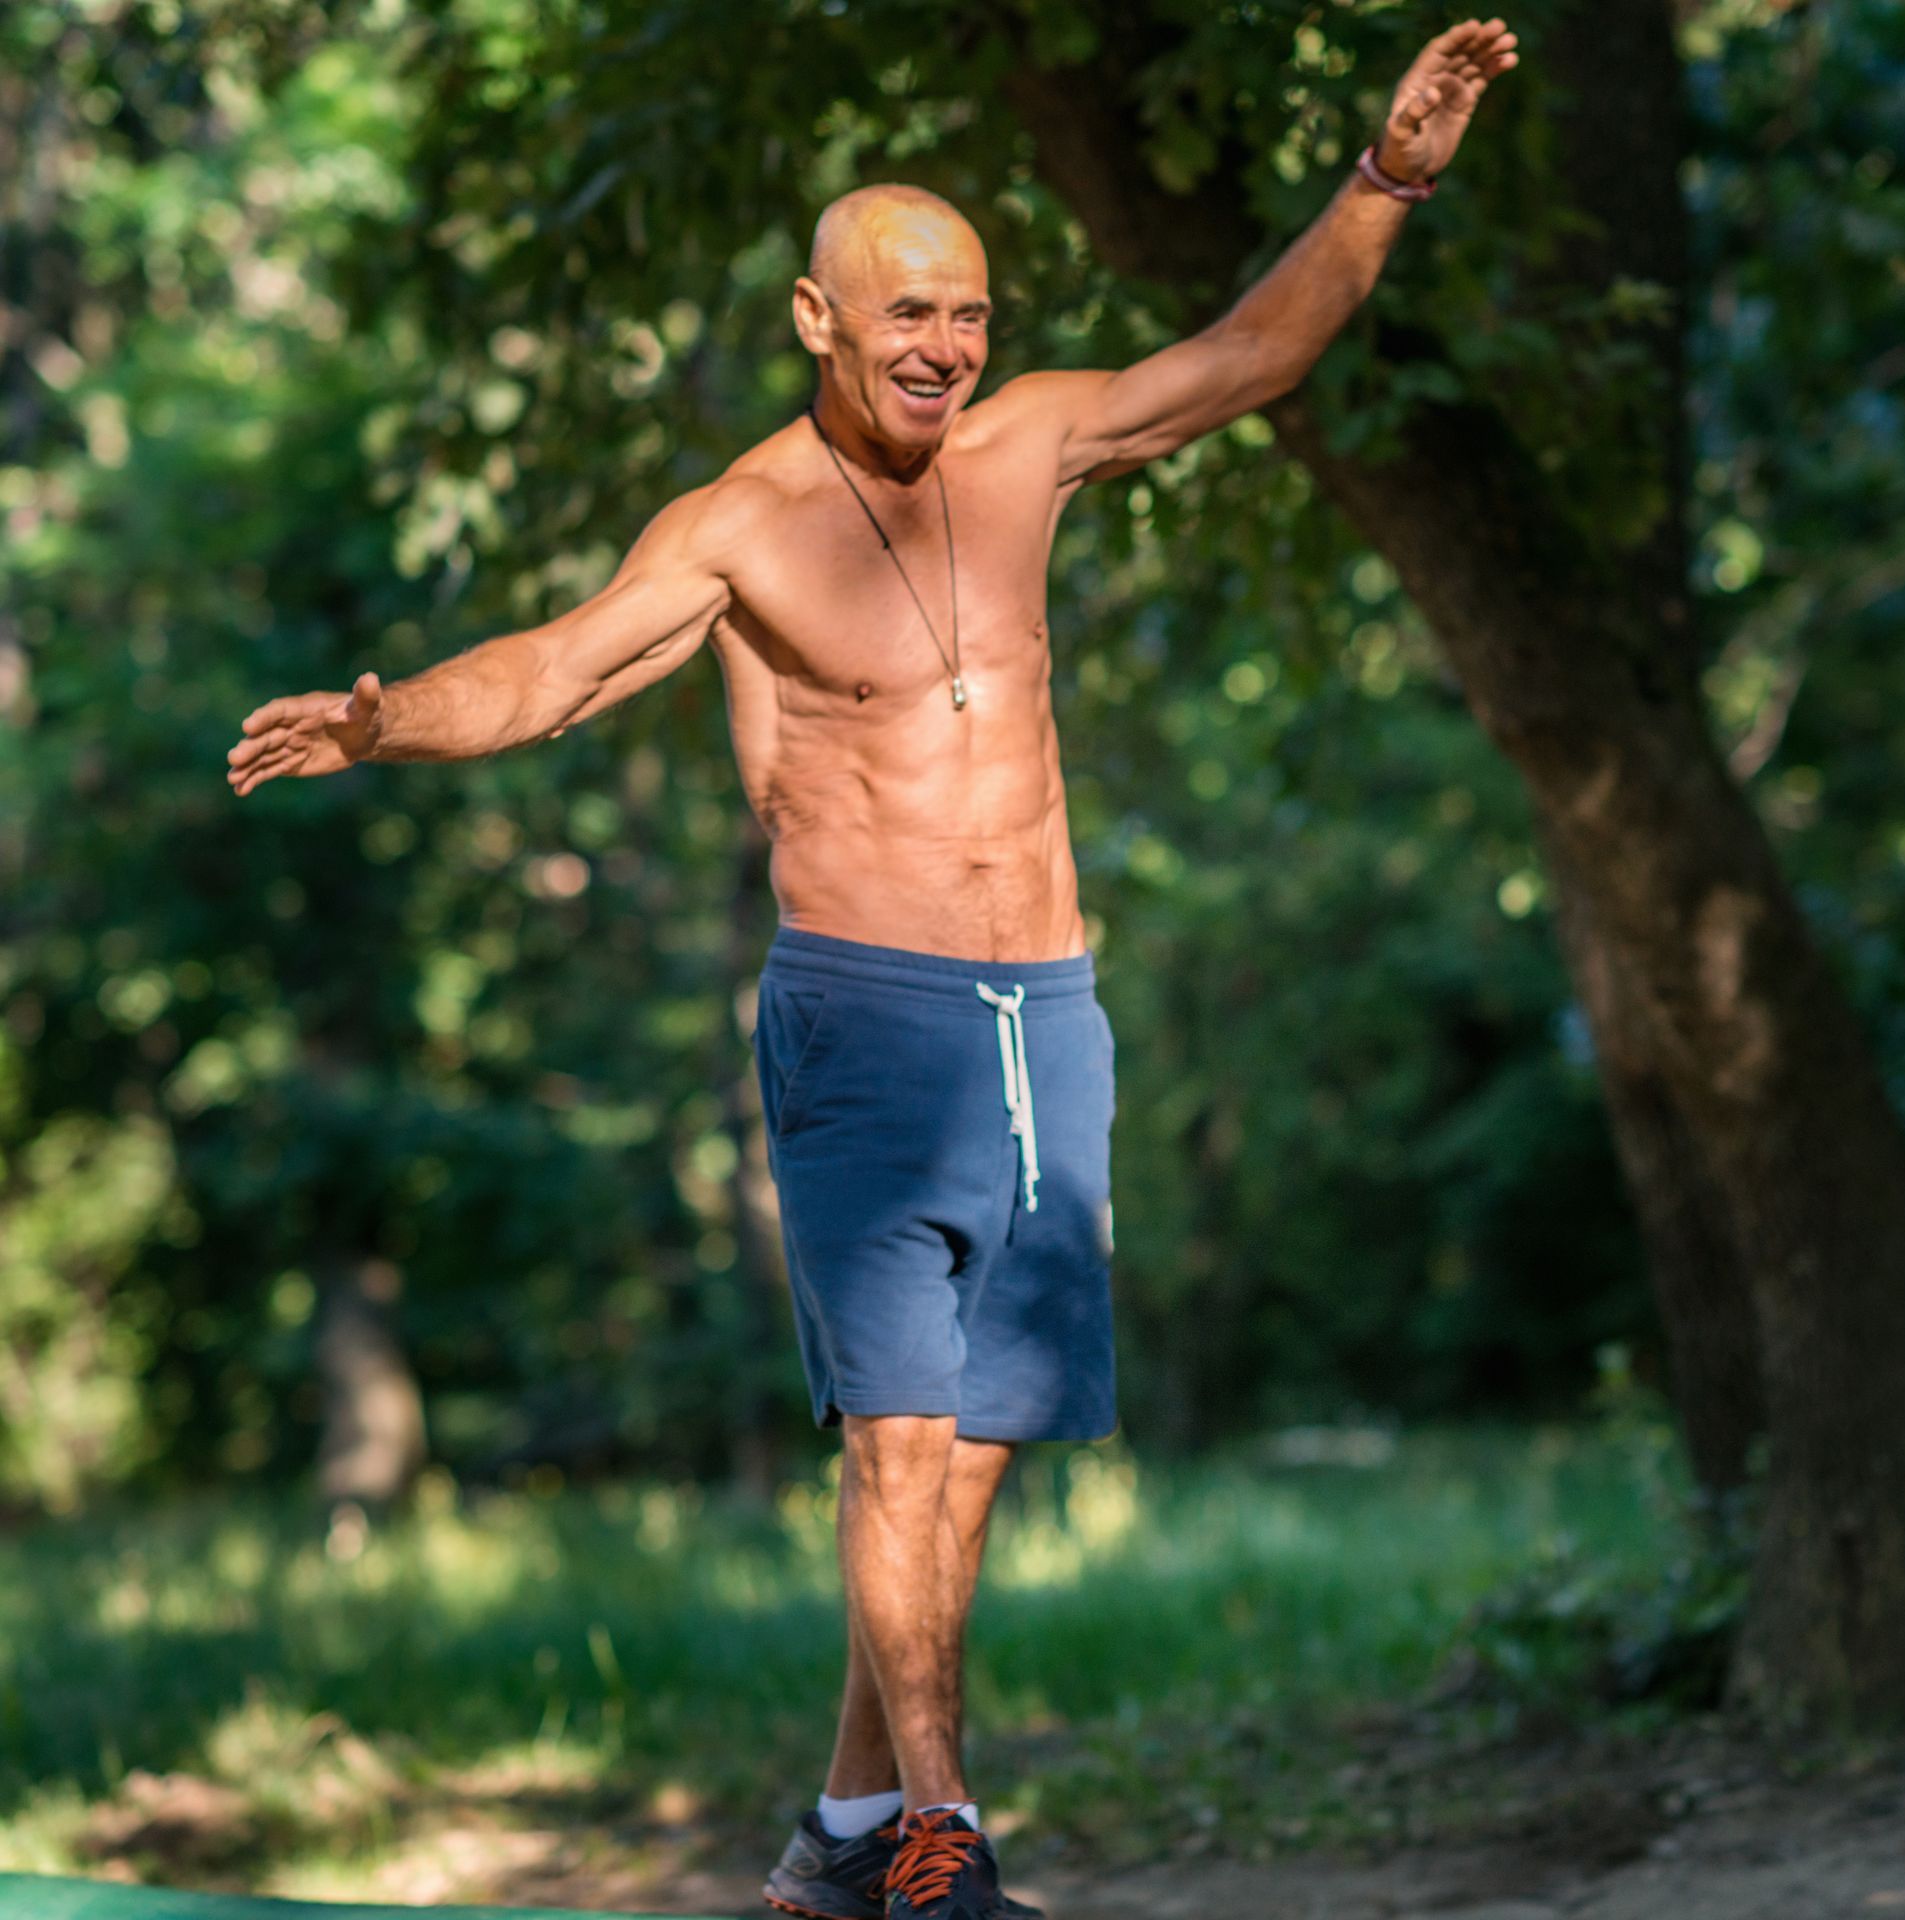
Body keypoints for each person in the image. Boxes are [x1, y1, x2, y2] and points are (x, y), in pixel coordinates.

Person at [226, 20, 1518, 1917]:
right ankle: (941, 1836)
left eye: (972, 316)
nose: (944, 346)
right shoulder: (743, 526)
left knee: (972, 1464)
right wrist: (388, 718)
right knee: (896, 1447)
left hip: (1046, 1018)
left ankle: (839, 1841)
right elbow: (561, 667)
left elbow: (1246, 359)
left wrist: (1388, 177)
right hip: (871, 1014)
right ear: (819, 319)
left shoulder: (1028, 449)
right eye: (908, 313)